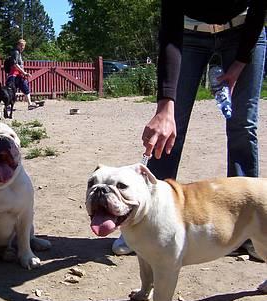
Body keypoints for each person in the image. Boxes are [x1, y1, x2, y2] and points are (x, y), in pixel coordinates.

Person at [113, 0, 267, 258]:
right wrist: (165, 106)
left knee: (243, 125)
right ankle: (147, 222)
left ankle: (250, 229)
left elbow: (259, 9)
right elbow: (170, 31)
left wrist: (240, 63)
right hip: (187, 34)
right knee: (171, 127)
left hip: (244, 30)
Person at [7, 39, 38, 110]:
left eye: (23, 47)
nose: (22, 48)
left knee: (25, 88)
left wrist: (23, 73)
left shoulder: (18, 53)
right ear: (18, 45)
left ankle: (30, 104)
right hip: (14, 75)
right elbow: (15, 64)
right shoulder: (16, 52)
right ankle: (8, 106)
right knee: (12, 90)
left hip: (19, 75)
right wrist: (24, 72)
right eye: (21, 46)